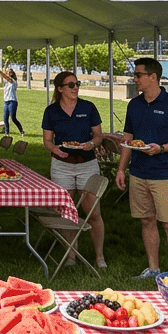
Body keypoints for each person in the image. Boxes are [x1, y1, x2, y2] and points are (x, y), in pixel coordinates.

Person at [112, 57, 168, 279]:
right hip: (138, 173)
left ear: (153, 77)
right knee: (146, 221)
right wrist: (121, 169)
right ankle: (154, 269)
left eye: (139, 75)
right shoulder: (134, 105)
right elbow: (128, 138)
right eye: (135, 75)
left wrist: (162, 148)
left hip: (165, 173)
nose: (135, 79)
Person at [41, 71, 106, 268]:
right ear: (60, 88)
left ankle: (99, 257)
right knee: (66, 212)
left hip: (87, 164)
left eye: (77, 84)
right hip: (62, 166)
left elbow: (98, 136)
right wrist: (55, 150)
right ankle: (71, 255)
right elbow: (47, 141)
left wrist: (91, 145)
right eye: (70, 85)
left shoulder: (88, 107)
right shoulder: (51, 111)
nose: (75, 87)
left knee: (93, 212)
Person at [0, 60, 25, 135]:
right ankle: (7, 133)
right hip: (6, 102)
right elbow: (3, 76)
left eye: (11, 72)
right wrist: (5, 65)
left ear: (13, 74)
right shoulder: (6, 81)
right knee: (5, 118)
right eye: (8, 72)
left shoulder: (13, 81)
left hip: (12, 101)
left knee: (13, 118)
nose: (9, 73)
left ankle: (21, 131)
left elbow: (3, 74)